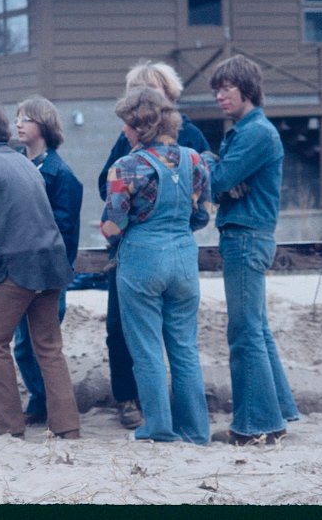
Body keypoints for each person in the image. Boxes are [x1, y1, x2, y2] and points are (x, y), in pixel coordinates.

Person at [96, 60, 210, 430]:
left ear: (140, 124)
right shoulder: (195, 159)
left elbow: (112, 226)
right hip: (183, 257)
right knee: (185, 350)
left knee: (145, 349)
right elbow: (202, 216)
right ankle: (196, 429)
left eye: (127, 124)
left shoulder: (127, 166)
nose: (124, 130)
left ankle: (157, 428)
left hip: (143, 259)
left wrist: (127, 230)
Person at [0, 103, 79, 440]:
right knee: (49, 346)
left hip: (19, 265)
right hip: (53, 263)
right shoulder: (24, 163)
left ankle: (6, 422)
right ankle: (67, 426)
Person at [202, 54, 299, 445]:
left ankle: (257, 425)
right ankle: (279, 410)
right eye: (217, 90)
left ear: (247, 88)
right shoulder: (245, 131)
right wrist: (217, 166)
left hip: (245, 236)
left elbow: (218, 180)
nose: (220, 96)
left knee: (244, 333)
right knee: (256, 329)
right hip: (248, 234)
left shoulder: (256, 133)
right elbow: (223, 176)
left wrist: (220, 175)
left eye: (227, 88)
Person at [11, 96, 83, 426]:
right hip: (18, 273)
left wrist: (52, 279)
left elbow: (66, 233)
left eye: (26, 118)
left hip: (48, 276)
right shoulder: (15, 163)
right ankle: (40, 401)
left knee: (44, 345)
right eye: (17, 117)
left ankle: (56, 406)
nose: (18, 123)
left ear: (44, 125)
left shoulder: (61, 174)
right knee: (22, 346)